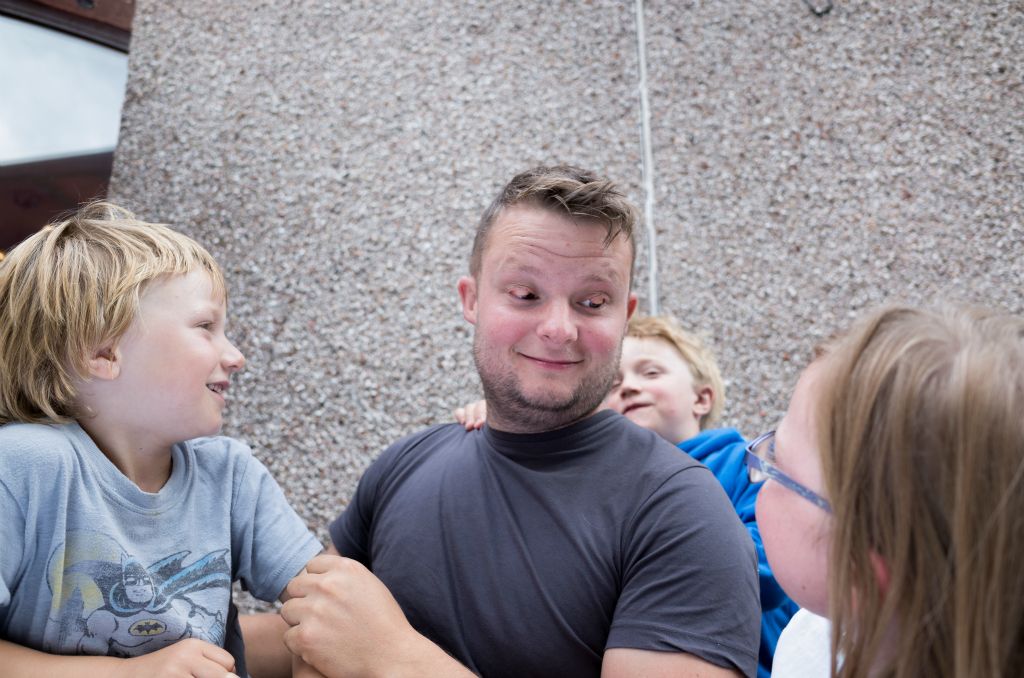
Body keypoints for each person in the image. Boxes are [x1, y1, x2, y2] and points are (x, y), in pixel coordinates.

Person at [280, 165, 761, 677]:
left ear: (625, 313)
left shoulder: (680, 510)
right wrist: (189, 644)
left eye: (593, 302)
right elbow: (309, 630)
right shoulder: (405, 462)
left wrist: (394, 658)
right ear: (471, 299)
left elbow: (363, 643)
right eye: (526, 294)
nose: (558, 329)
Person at [0, 202, 322, 676]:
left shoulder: (230, 474)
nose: (236, 356)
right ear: (103, 351)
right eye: (205, 327)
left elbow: (330, 611)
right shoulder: (24, 465)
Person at [456, 314, 799, 678]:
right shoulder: (592, 489)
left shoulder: (746, 464)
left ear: (701, 398)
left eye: (651, 373)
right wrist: (509, 428)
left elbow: (776, 565)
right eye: (613, 384)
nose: (629, 387)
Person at [750, 304, 1024, 677]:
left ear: (859, 571)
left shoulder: (809, 656)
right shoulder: (814, 636)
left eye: (776, 461)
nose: (756, 467)